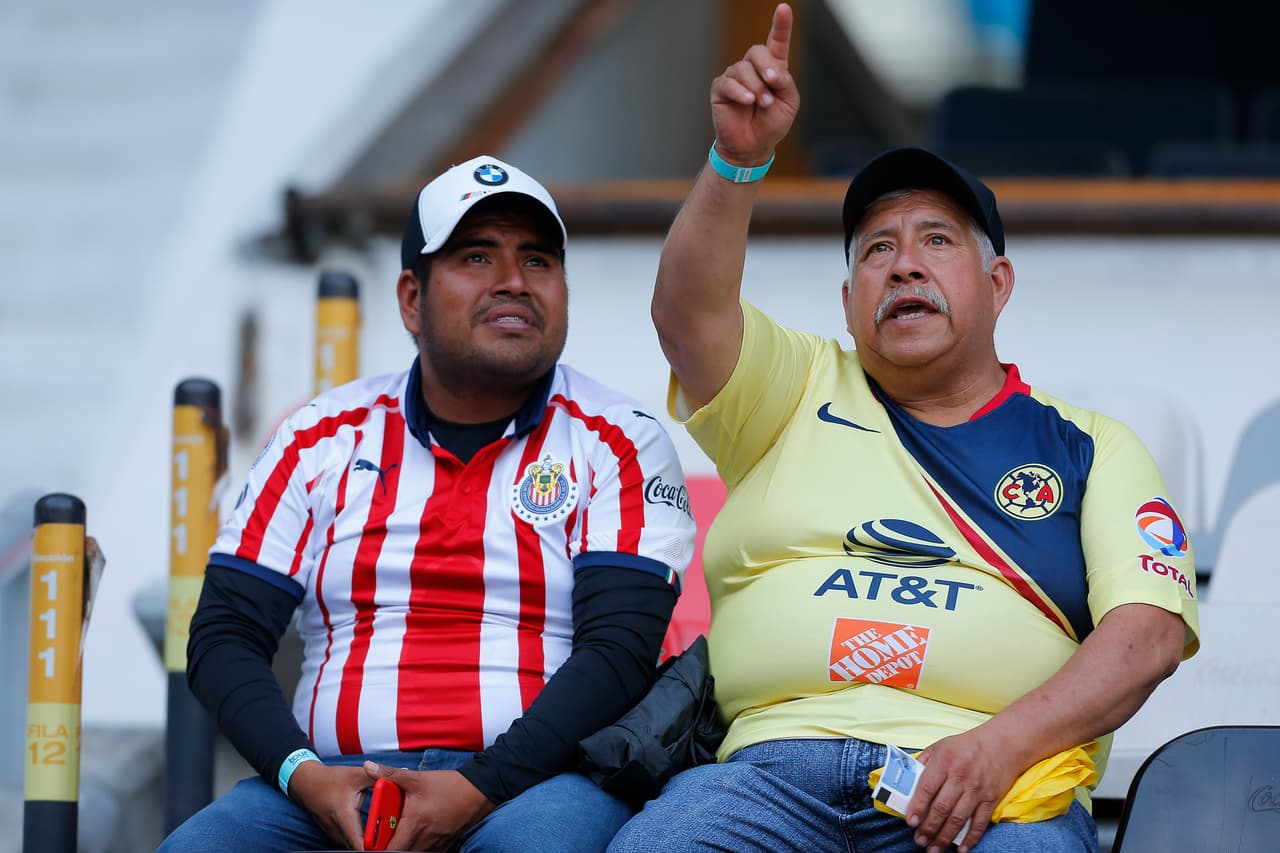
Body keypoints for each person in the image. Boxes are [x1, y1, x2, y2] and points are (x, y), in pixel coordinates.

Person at [608, 5, 1199, 853]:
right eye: (876, 249)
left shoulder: (1091, 446)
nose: (905, 262)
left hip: (990, 788)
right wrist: (738, 161)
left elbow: (1148, 637)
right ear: (848, 299)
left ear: (998, 283)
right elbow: (687, 316)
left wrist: (997, 750)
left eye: (935, 240)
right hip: (768, 777)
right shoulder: (797, 384)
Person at [159, 155, 696, 852]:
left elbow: (620, 653)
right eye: (476, 256)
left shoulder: (619, 439)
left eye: (538, 261)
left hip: (531, 786)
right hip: (326, 791)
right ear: (411, 298)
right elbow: (223, 635)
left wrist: (476, 788)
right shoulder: (319, 435)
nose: (513, 281)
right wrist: (305, 776)